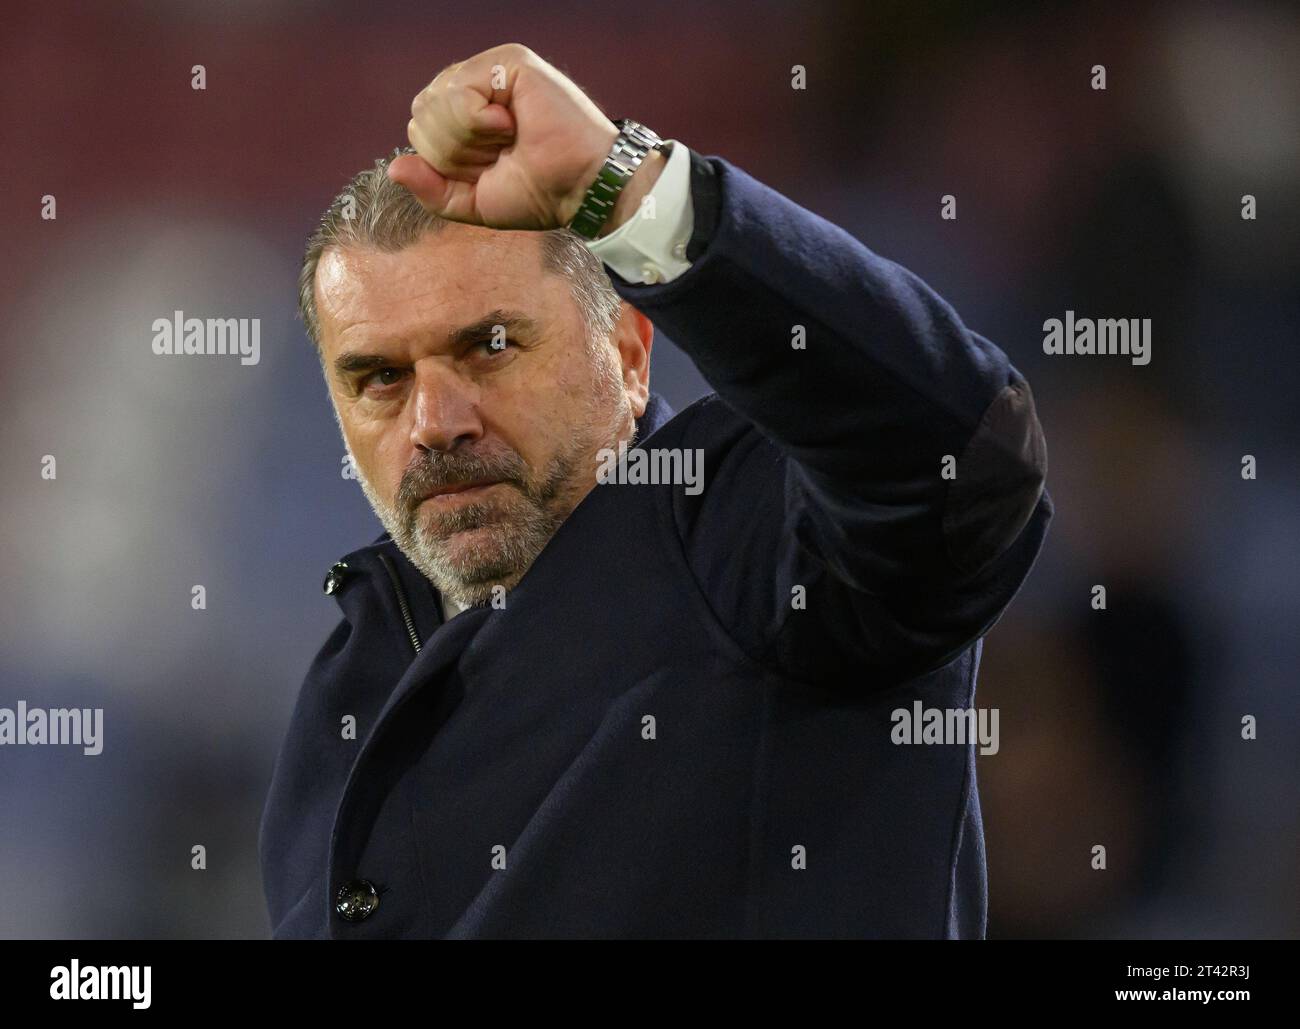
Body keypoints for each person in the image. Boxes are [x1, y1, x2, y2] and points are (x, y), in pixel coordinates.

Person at [259, 43, 1052, 938]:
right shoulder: (345, 686)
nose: (436, 420)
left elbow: (965, 459)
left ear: (630, 355)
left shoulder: (750, 537)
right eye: (379, 377)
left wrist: (619, 185)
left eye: (490, 346)